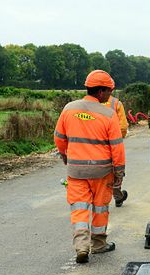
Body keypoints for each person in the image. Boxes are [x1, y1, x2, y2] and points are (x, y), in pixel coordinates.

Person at [54, 70, 126, 264]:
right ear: (101, 91)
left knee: (79, 209)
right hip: (102, 172)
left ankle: (81, 247)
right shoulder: (108, 114)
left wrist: (67, 157)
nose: (110, 95)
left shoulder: (69, 109)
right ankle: (99, 245)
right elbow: (117, 147)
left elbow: (59, 138)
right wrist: (119, 172)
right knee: (100, 208)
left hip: (76, 171)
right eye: (110, 91)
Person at [102, 88, 129, 207]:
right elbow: (123, 127)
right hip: (113, 142)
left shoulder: (87, 104)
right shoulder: (116, 103)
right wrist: (118, 138)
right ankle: (118, 196)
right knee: (117, 168)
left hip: (95, 143)